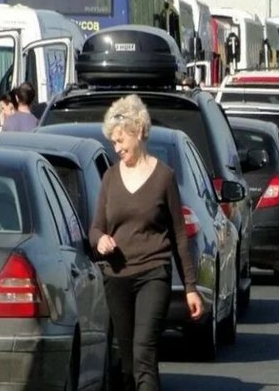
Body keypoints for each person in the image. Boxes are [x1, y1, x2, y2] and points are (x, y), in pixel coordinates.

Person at [90, 95, 202, 391]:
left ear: (138, 131)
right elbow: (96, 227)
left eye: (120, 140)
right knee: (127, 365)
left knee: (143, 353)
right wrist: (100, 239)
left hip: (154, 273)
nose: (117, 148)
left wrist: (190, 287)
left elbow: (179, 234)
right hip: (117, 278)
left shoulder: (164, 177)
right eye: (112, 143)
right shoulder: (111, 178)